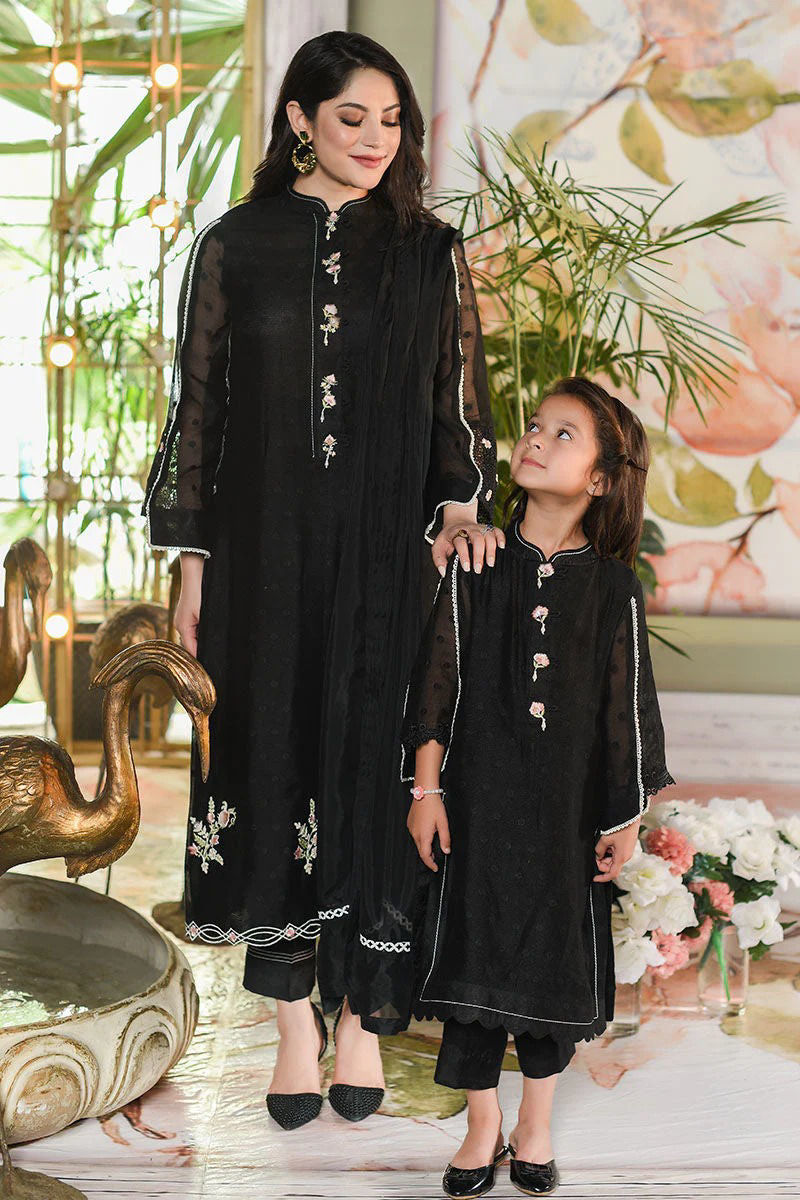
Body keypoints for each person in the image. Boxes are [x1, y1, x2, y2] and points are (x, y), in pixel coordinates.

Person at [141, 30, 498, 1131]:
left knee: (372, 763)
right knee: (269, 757)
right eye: (352, 119)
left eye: (392, 123)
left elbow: (456, 400)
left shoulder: (428, 251)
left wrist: (458, 502)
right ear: (299, 117)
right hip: (259, 557)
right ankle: (295, 1020)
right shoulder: (235, 245)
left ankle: (363, 1020)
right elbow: (199, 411)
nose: (375, 141)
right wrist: (192, 563)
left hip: (385, 558)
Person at [402, 377, 675, 1197]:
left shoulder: (614, 588)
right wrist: (425, 792)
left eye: (564, 435)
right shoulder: (476, 561)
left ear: (601, 479)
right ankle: (482, 1123)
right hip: (476, 807)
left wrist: (624, 819)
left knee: (554, 964)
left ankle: (536, 1124)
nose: (535, 440)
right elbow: (437, 680)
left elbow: (628, 710)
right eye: (534, 426)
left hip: (565, 816)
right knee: (472, 955)